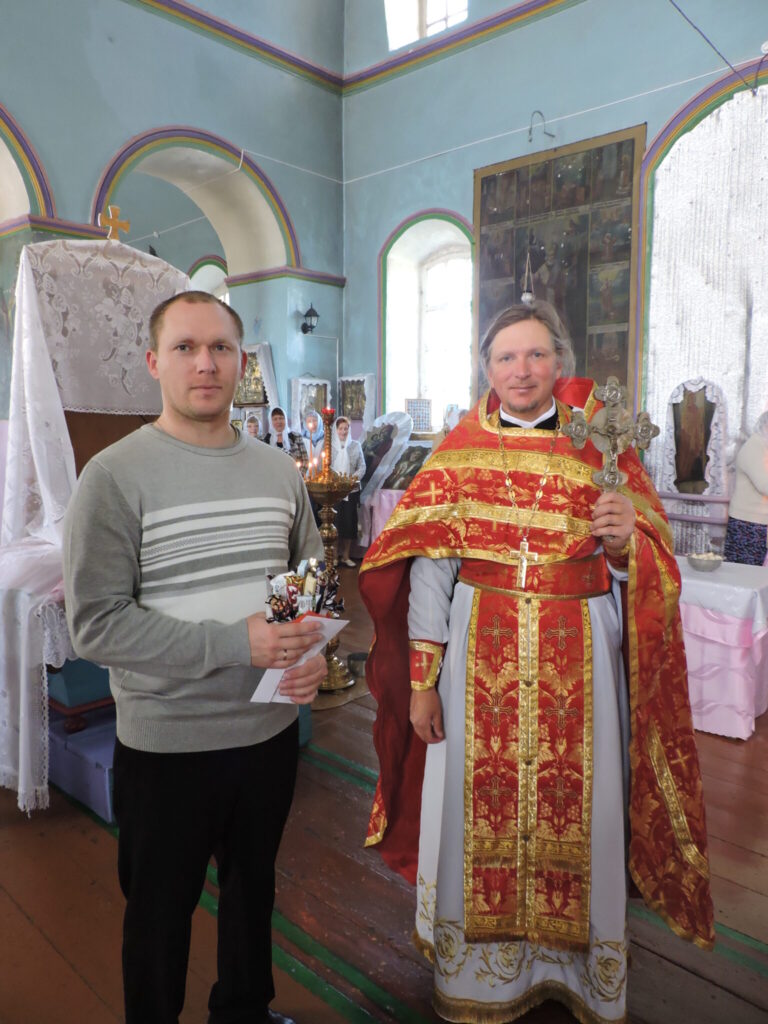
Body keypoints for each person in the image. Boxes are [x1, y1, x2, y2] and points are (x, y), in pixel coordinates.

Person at [360, 299, 714, 1024]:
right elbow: (431, 570)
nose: (520, 370)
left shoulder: (602, 450)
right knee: (475, 807)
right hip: (475, 659)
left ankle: (576, 974)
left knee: (580, 811)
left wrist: (624, 542)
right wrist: (423, 683)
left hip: (580, 663)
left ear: (559, 363)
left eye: (535, 355)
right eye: (505, 357)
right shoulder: (459, 451)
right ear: (486, 369)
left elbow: (649, 569)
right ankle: (481, 978)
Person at [63, 290, 326, 1024]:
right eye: (185, 347)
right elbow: (97, 626)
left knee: (253, 893)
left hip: (266, 732)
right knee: (158, 917)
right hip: (167, 745)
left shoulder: (277, 470)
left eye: (220, 348)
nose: (205, 363)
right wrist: (237, 643)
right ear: (154, 362)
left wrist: (304, 654)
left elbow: (305, 581)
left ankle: (244, 1011)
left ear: (241, 363)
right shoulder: (114, 476)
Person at [724, 411, 768, 566]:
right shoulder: (754, 448)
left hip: (757, 522)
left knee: (752, 573)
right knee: (743, 573)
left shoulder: (763, 447)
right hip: (747, 523)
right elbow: (765, 485)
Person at [329, 415, 365, 567]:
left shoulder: (355, 445)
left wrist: (352, 479)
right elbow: (325, 467)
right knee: (335, 524)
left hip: (351, 491)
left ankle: (346, 555)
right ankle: (335, 556)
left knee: (349, 524)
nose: (343, 431)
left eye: (346, 428)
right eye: (340, 428)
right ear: (335, 430)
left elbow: (362, 466)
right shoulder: (329, 446)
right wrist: (336, 479)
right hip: (334, 491)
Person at [263, 406, 309, 472]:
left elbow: (305, 460)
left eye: (281, 418)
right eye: (275, 419)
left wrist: (299, 475)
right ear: (270, 421)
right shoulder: (266, 440)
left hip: (294, 475)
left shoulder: (296, 437)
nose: (278, 421)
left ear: (285, 419)